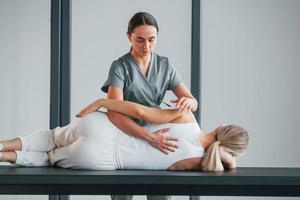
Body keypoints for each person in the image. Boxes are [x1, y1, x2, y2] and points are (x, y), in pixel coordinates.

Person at [0, 99, 249, 173]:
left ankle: (2, 145)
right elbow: (225, 164)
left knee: (52, 136)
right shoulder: (200, 163)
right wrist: (228, 157)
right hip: (101, 161)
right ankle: (8, 157)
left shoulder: (186, 119)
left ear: (223, 126)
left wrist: (102, 102)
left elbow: (140, 111)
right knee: (50, 159)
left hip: (106, 129)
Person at [103, 12, 197, 200]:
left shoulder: (165, 64)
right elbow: (114, 113)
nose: (146, 46)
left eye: (151, 40)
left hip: (158, 133)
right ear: (129, 36)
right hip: (126, 133)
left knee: (160, 191)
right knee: (123, 192)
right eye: (139, 40)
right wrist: (148, 136)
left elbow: (192, 101)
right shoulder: (120, 67)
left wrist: (189, 102)